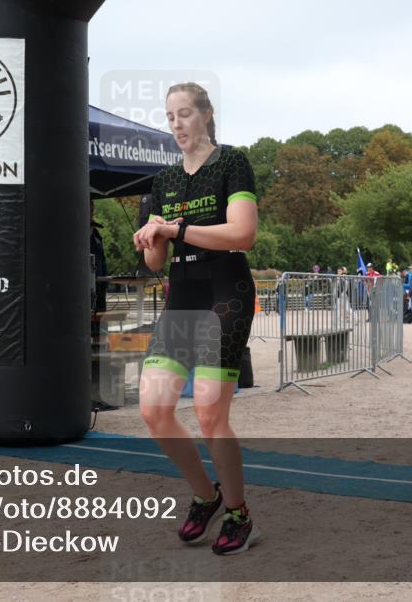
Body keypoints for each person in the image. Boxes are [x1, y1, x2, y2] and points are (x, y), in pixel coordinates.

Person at [132, 82, 260, 555]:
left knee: (209, 411)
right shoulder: (163, 180)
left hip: (226, 293)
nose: (177, 124)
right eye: (170, 117)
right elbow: (155, 265)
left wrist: (176, 227)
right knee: (154, 408)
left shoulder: (231, 162)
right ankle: (206, 497)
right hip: (182, 296)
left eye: (185, 114)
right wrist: (153, 239)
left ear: (206, 115)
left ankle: (239, 513)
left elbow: (242, 234)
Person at [89, 202, 108, 313]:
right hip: (85, 289)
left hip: (99, 287)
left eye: (92, 211)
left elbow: (102, 260)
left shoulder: (96, 234)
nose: (91, 214)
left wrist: (105, 282)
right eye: (89, 210)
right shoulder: (74, 233)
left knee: (101, 326)